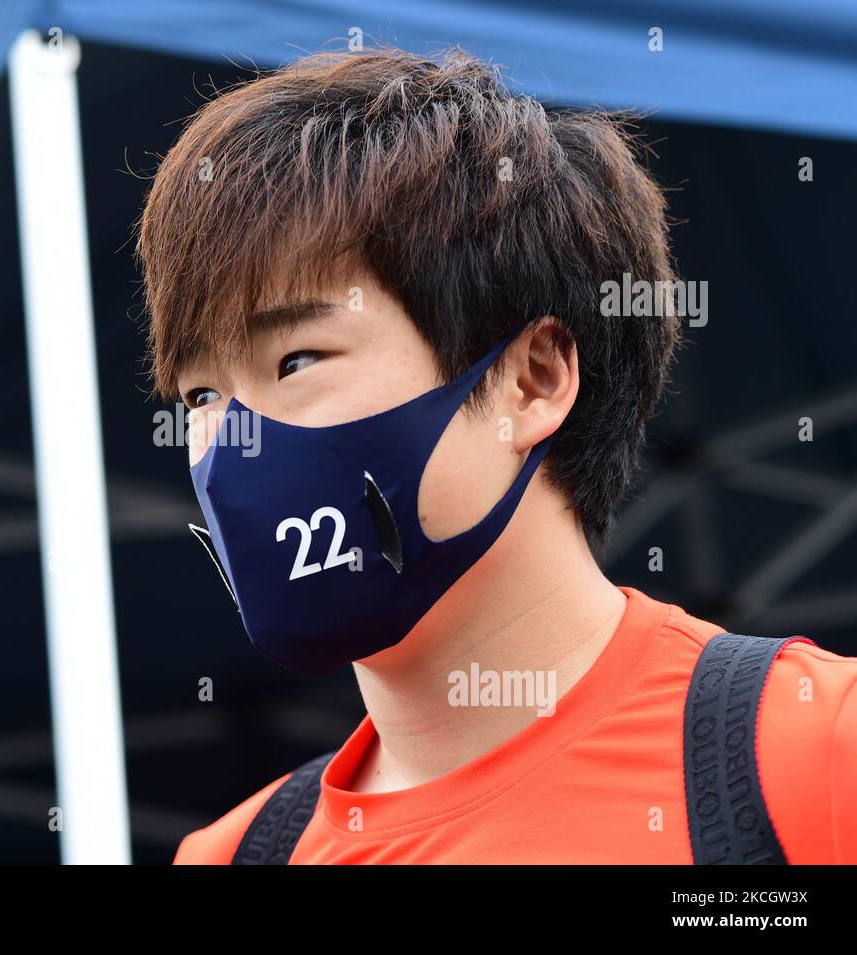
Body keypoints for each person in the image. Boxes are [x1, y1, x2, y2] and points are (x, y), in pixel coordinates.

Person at [134, 46, 857, 864]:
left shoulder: (813, 752)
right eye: (199, 397)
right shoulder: (233, 854)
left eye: (296, 360)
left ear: (533, 378)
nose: (235, 441)